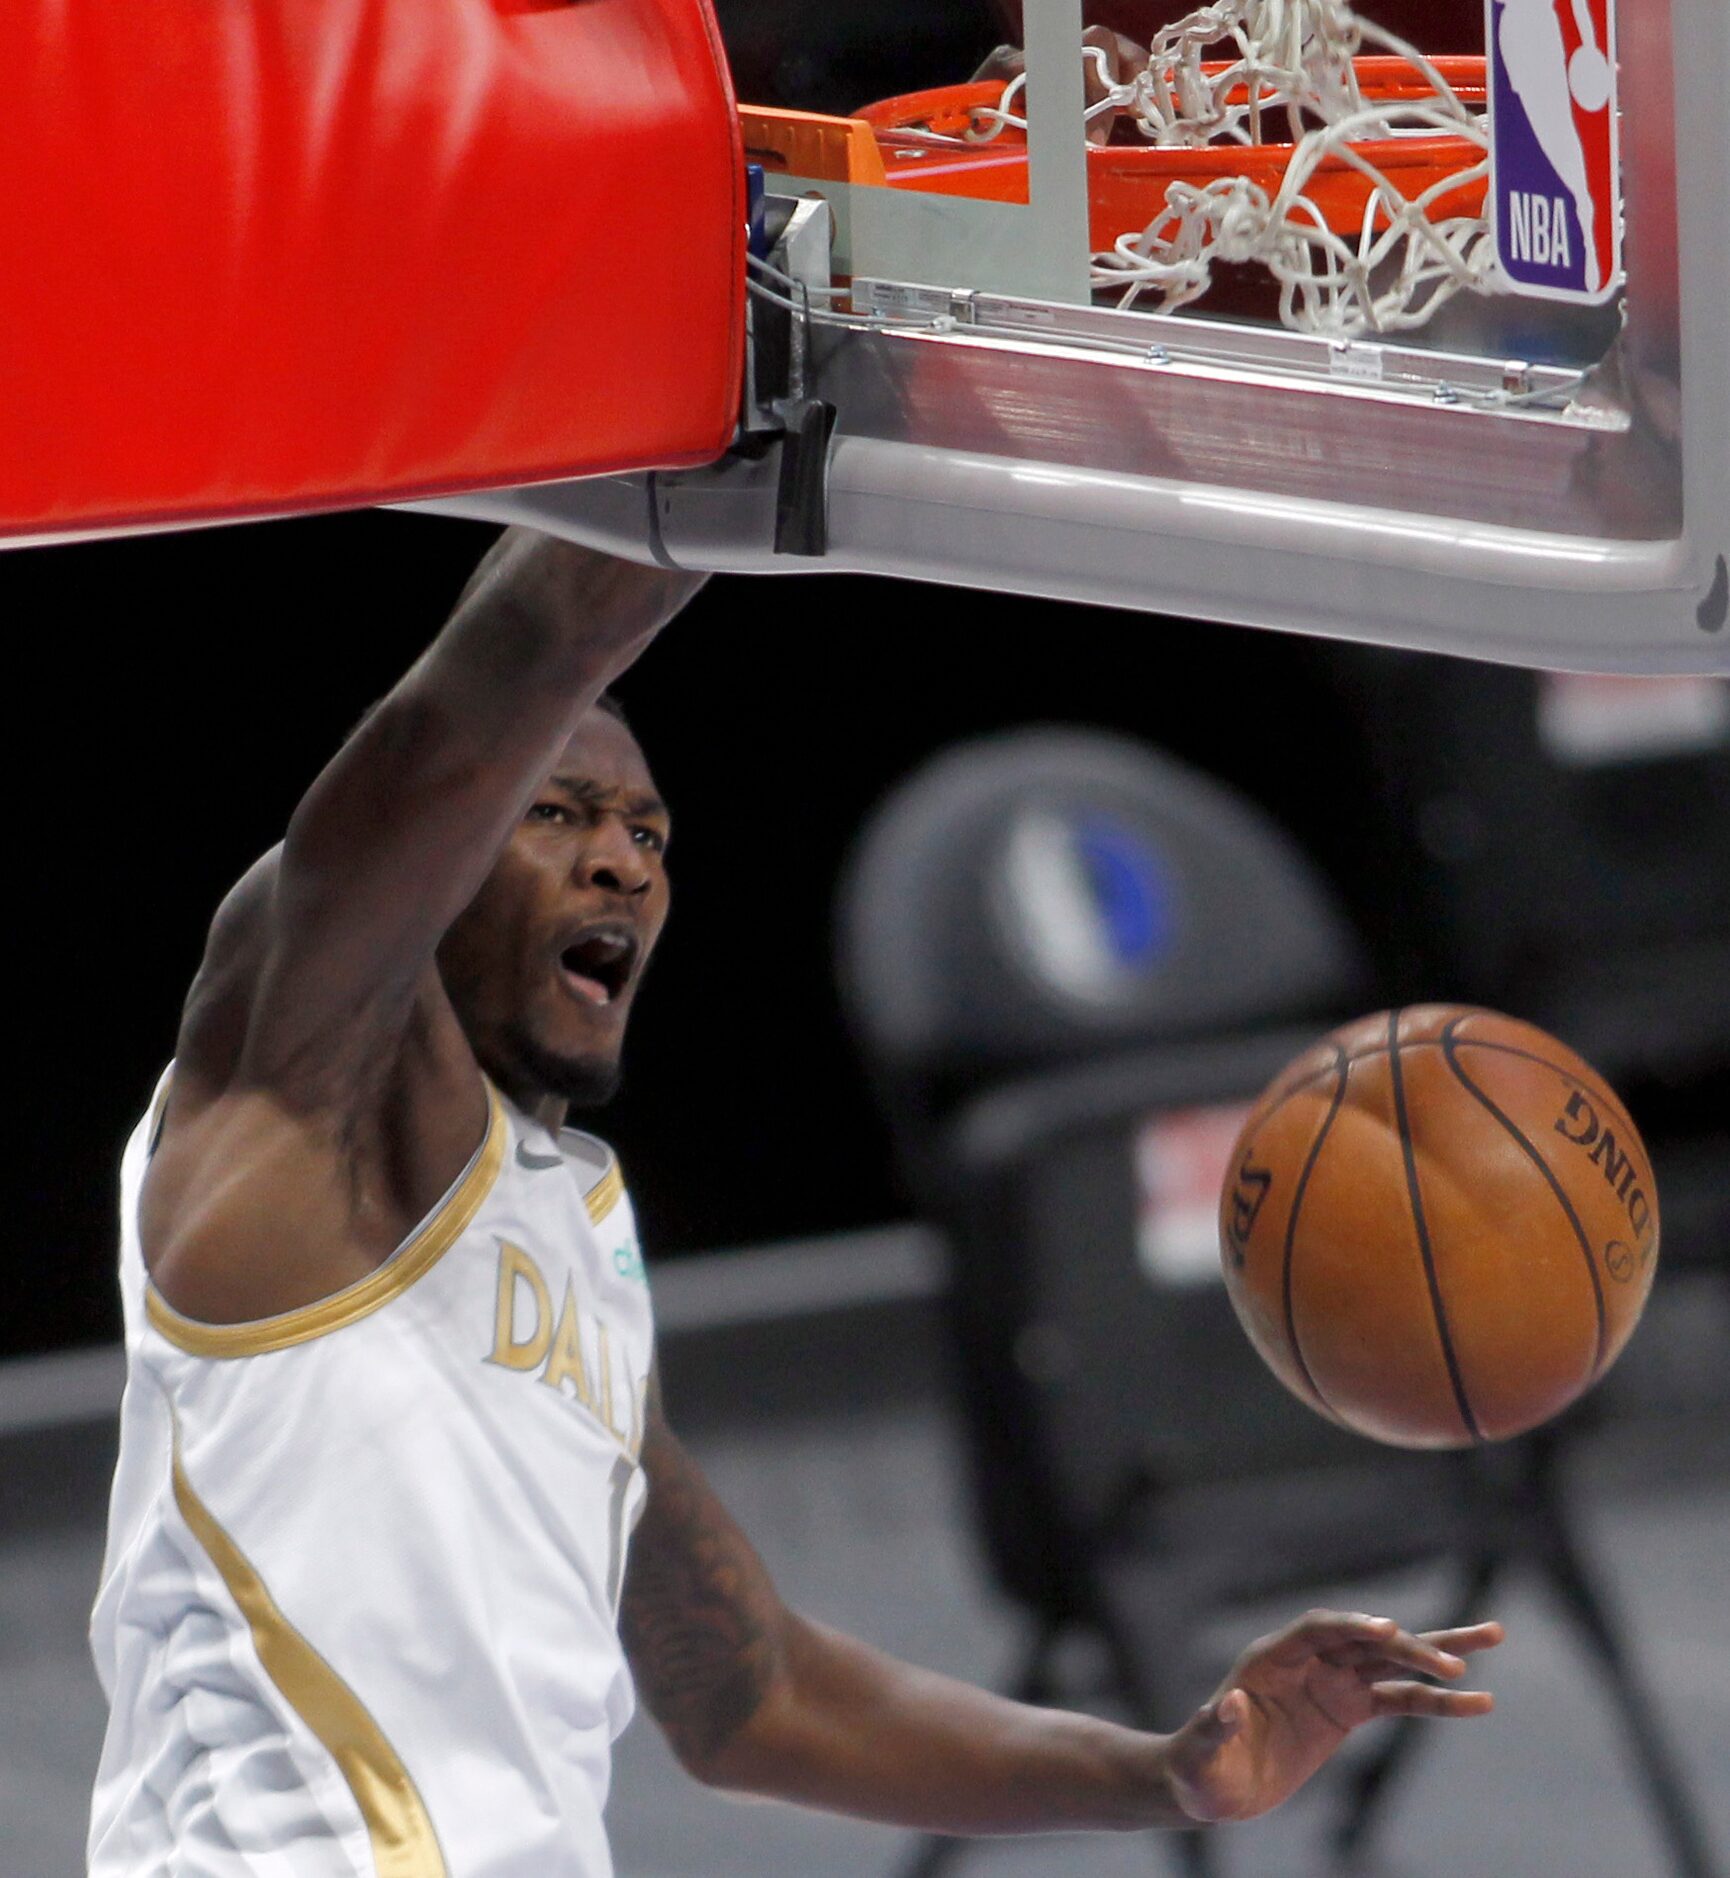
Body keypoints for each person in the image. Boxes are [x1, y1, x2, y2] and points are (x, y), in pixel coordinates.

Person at [89, 529, 1502, 1874]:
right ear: (444, 852)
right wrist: (724, 404)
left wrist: (1164, 1771)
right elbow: (505, 666)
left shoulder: (560, 1235)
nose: (623, 862)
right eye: (558, 813)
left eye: (650, 832)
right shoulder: (287, 1098)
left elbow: (753, 1692)